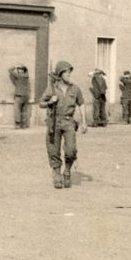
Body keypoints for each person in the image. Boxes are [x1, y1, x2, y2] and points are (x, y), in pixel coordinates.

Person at [40, 61, 87, 189]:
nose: (69, 74)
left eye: (69, 72)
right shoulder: (52, 88)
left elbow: (81, 103)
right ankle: (56, 175)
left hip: (68, 121)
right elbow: (41, 103)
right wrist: (50, 101)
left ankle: (67, 171)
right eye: (66, 72)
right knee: (53, 149)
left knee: (71, 150)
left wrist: (84, 122)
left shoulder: (75, 89)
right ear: (60, 74)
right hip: (54, 122)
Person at [9, 64, 31, 129]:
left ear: (22, 70)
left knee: (17, 110)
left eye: (20, 69)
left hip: (19, 95)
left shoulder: (19, 76)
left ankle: (18, 125)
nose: (19, 70)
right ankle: (24, 125)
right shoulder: (27, 76)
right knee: (24, 111)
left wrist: (14, 66)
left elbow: (9, 70)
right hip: (26, 96)